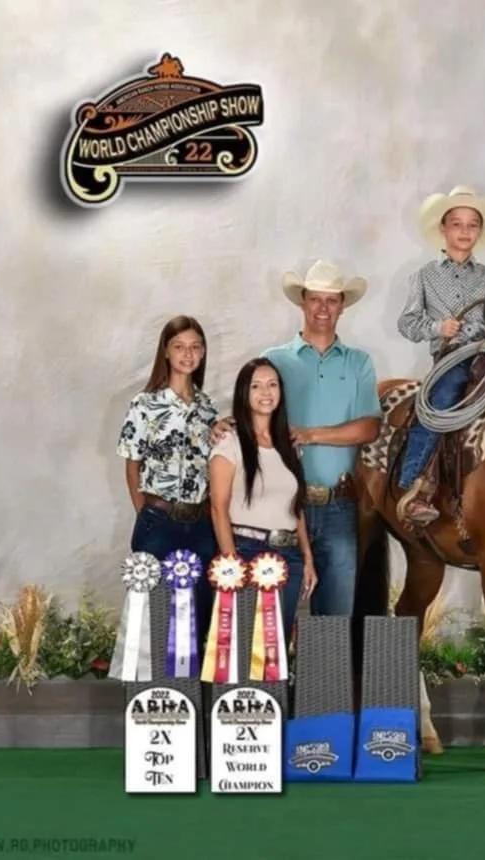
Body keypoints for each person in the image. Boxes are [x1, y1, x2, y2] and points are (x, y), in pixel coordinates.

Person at [212, 259, 381, 618]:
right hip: (282, 504)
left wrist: (310, 434)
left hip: (337, 503)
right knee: (270, 616)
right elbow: (255, 406)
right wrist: (227, 423)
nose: (323, 308)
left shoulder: (359, 363)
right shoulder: (275, 360)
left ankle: (321, 676)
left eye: (332, 300)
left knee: (333, 616)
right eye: (315, 299)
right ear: (302, 302)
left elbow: (370, 427)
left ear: (342, 306)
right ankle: (267, 675)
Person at [395, 185, 485, 527]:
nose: (464, 231)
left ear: (479, 231)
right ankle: (415, 485)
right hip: (452, 356)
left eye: (472, 224)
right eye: (456, 224)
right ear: (443, 229)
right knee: (441, 401)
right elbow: (407, 323)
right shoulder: (424, 277)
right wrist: (437, 328)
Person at [116, 315, 218, 650]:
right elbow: (133, 464)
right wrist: (144, 511)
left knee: (199, 611)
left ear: (202, 353)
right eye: (179, 347)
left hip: (201, 522)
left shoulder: (208, 408)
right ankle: (153, 692)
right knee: (155, 612)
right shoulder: (145, 405)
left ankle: (189, 690)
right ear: (166, 352)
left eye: (195, 347)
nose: (188, 355)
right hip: (158, 519)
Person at [208, 358, 316, 645]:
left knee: (276, 646)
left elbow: (297, 507)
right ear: (244, 393)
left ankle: (274, 691)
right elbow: (218, 507)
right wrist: (232, 564)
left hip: (289, 556)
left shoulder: (289, 445)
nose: (265, 392)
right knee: (247, 647)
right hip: (248, 550)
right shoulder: (229, 442)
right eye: (256, 386)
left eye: (272, 385)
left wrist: (307, 557)